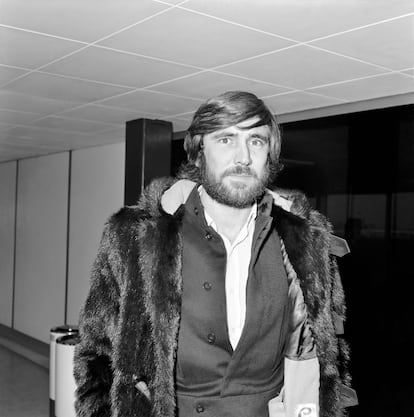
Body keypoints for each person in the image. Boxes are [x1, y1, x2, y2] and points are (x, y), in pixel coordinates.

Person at [74, 91, 356, 417]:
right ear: (199, 152)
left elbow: (327, 360)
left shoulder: (307, 243)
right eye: (226, 140)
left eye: (256, 141)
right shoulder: (134, 238)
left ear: (270, 156)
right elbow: (99, 357)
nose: (243, 156)